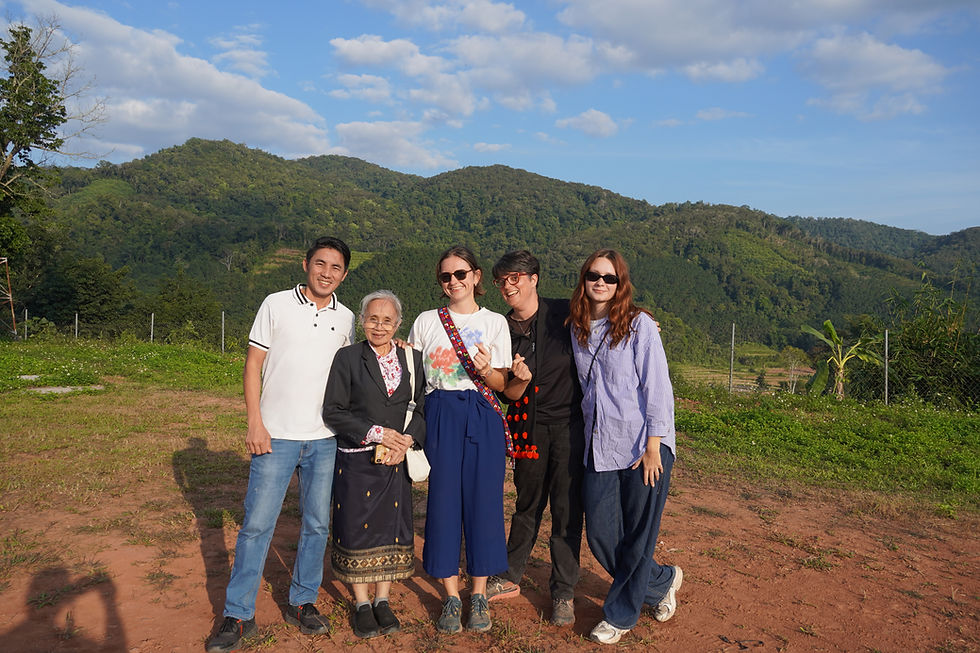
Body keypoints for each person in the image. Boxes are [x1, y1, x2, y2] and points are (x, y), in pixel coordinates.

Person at [206, 237, 356, 653]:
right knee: (256, 525)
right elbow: (253, 365)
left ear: (344, 274)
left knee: (316, 525)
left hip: (325, 438)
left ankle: (303, 601)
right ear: (305, 264)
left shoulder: (345, 318)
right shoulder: (275, 304)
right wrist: (255, 422)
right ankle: (238, 614)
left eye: (336, 267)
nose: (327, 272)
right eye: (320, 263)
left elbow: (350, 375)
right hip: (275, 435)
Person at [566, 249, 682, 645]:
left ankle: (618, 615)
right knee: (600, 532)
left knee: (638, 534)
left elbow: (657, 388)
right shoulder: (576, 327)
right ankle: (662, 580)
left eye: (609, 278)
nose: (600, 282)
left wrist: (654, 445)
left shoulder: (639, 326)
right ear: (583, 280)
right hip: (600, 445)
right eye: (593, 276)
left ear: (621, 285)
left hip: (642, 446)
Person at [407, 245, 522, 634]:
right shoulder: (426, 321)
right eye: (446, 276)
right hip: (439, 411)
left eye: (461, 274)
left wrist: (488, 369)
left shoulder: (495, 324)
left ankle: (478, 594)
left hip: (482, 413)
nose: (453, 281)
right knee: (442, 502)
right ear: (440, 282)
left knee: (483, 501)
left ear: (475, 276)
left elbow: (503, 386)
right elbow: (413, 376)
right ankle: (451, 597)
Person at [483, 250, 584, 627]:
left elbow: (610, 308)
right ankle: (510, 574)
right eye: (502, 280)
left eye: (516, 278)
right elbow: (503, 389)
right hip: (527, 428)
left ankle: (563, 591)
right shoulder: (499, 328)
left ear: (534, 278)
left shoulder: (563, 312)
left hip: (570, 427)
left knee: (566, 510)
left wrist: (644, 318)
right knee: (527, 504)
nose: (509, 286)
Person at [322, 290, 426, 639]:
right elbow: (333, 411)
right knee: (356, 528)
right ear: (362, 320)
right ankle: (362, 603)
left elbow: (423, 408)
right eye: (372, 318)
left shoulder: (413, 360)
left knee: (390, 530)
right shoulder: (348, 358)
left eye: (387, 320)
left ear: (399, 324)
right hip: (358, 458)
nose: (379, 326)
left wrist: (407, 440)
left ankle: (383, 600)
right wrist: (378, 433)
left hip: (396, 460)